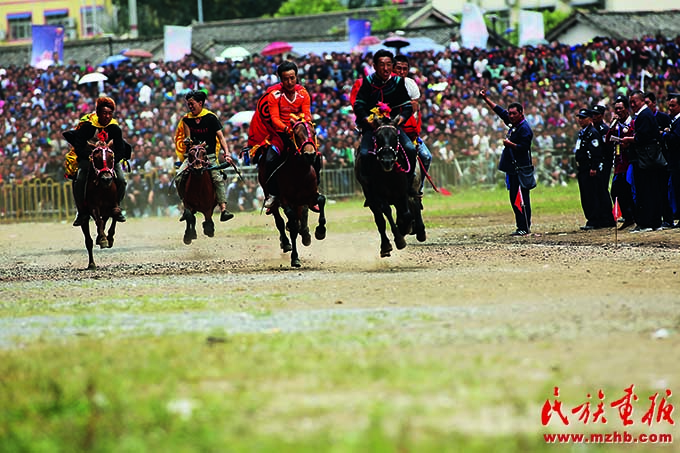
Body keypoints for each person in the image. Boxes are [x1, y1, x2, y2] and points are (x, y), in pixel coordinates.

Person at [352, 49, 417, 193]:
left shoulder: (398, 82)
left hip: (393, 127)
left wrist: (401, 118)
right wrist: (367, 120)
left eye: (389, 64)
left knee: (411, 149)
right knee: (364, 153)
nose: (386, 68)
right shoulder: (368, 82)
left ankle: (409, 181)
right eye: (382, 64)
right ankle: (369, 188)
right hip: (373, 128)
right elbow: (358, 105)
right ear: (375, 66)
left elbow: (407, 106)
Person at [260, 60, 320, 209]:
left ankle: (314, 193)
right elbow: (274, 118)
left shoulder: (303, 93)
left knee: (317, 157)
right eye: (286, 78)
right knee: (269, 160)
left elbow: (307, 114)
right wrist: (288, 129)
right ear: (280, 79)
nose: (290, 82)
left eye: (292, 78)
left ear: (296, 77)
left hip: (300, 133)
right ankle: (273, 194)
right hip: (281, 135)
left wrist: (301, 126)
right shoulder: (274, 95)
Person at [63, 96, 129, 226]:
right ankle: (81, 211)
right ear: (97, 113)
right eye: (104, 113)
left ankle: (117, 207)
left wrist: (111, 157)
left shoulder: (115, 128)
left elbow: (121, 149)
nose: (107, 116)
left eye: (110, 114)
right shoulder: (87, 126)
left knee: (121, 179)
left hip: (110, 161)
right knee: (80, 179)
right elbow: (79, 146)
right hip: (89, 159)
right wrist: (91, 155)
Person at [478, 89, 534, 236]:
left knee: (521, 199)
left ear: (521, 113)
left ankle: (524, 226)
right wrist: (486, 99)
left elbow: (524, 148)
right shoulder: (514, 124)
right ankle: (520, 226)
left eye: (514, 113)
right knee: (514, 198)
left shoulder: (524, 129)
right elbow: (499, 111)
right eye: (510, 113)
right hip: (512, 169)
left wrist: (510, 145)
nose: (511, 116)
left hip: (520, 169)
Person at [174, 89, 234, 222]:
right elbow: (188, 138)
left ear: (200, 103)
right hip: (193, 156)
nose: (190, 106)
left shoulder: (211, 118)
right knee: (178, 177)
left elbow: (221, 137)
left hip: (209, 156)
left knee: (217, 178)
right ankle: (185, 206)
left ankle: (223, 208)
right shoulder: (186, 119)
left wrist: (227, 153)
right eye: (188, 104)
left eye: (192, 104)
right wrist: (188, 142)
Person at [622, 90, 666, 232]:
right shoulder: (644, 115)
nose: (632, 104)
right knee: (651, 190)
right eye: (631, 102)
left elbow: (643, 138)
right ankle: (654, 221)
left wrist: (629, 139)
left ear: (642, 101)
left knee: (645, 191)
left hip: (645, 159)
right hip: (647, 158)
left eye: (635, 101)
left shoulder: (644, 116)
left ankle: (647, 222)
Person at [393, 54, 432, 195]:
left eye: (405, 68)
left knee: (426, 156)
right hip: (392, 129)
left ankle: (418, 189)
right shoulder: (386, 85)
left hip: (410, 132)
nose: (401, 72)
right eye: (398, 68)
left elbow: (414, 111)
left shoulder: (411, 84)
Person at [574, 108, 615, 230]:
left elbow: (596, 151)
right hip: (582, 167)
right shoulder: (583, 132)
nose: (580, 120)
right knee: (587, 193)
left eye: (583, 118)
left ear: (590, 119)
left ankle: (595, 219)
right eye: (579, 118)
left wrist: (594, 167)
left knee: (592, 194)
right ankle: (595, 218)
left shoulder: (592, 133)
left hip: (589, 168)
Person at [606, 96, 636, 230]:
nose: (618, 111)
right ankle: (628, 217)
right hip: (619, 164)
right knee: (616, 191)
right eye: (616, 109)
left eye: (620, 108)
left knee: (630, 190)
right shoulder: (616, 125)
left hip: (631, 162)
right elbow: (607, 141)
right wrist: (611, 127)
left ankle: (635, 217)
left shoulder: (633, 123)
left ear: (626, 109)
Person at [661, 93, 680, 227]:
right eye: (669, 106)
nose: (670, 109)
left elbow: (676, 139)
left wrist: (666, 134)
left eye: (673, 106)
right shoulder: (673, 121)